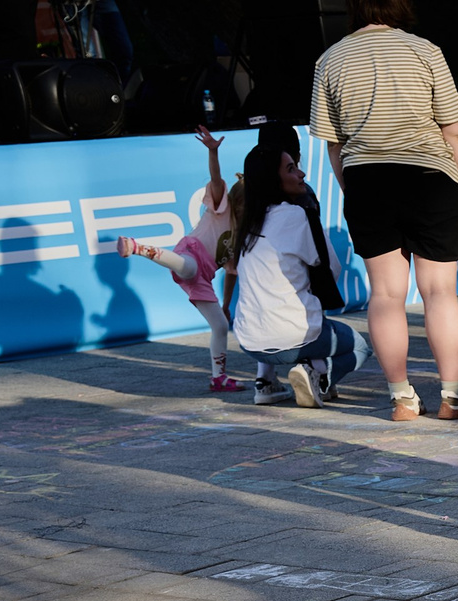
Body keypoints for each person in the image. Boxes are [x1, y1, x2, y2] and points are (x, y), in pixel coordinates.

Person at [311, 0, 458, 423]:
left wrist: (352, 187)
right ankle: (453, 396)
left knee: (385, 294)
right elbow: (455, 129)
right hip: (430, 177)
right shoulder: (425, 50)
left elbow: (333, 144)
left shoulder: (329, 59)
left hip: (368, 182)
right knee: (439, 292)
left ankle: (402, 399)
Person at [229, 143, 367, 409]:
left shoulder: (247, 224)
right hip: (296, 336)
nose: (301, 175)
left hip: (249, 341)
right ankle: (317, 375)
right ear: (274, 180)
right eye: (291, 169)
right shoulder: (296, 215)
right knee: (360, 347)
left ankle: (267, 383)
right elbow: (330, 269)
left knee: (308, 334)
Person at [114, 128, 236, 392]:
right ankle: (137, 247)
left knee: (221, 325)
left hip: (204, 277)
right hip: (190, 253)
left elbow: (232, 271)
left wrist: (226, 304)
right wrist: (213, 151)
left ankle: (219, 377)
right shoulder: (222, 206)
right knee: (187, 266)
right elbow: (216, 179)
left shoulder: (247, 233)